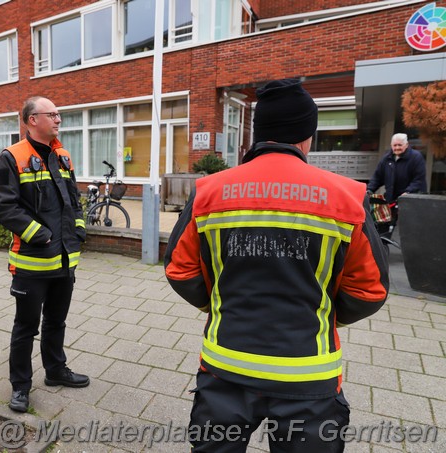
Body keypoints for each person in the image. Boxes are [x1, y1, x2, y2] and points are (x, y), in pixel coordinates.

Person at [164, 79, 389, 452]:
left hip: (226, 368)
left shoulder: (209, 191)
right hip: (308, 376)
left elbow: (179, 269)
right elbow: (370, 290)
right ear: (306, 136)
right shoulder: (348, 197)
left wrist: (218, 303)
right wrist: (323, 312)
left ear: (258, 133)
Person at [0, 96, 89, 413]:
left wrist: (79, 228)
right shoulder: (12, 157)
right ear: (32, 120)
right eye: (52, 114)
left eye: (59, 114)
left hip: (65, 261)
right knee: (25, 327)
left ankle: (56, 371)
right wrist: (40, 234)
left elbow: (73, 199)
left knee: (56, 322)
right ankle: (20, 387)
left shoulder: (63, 156)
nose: (58, 119)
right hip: (32, 264)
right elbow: (2, 206)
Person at [366, 133, 427, 234]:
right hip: (392, 200)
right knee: (386, 228)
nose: (397, 148)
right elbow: (377, 177)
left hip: (410, 201)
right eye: (395, 145)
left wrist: (408, 192)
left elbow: (418, 180)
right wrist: (369, 190)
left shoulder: (416, 157)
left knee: (409, 229)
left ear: (406, 145)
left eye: (400, 145)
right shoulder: (386, 159)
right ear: (391, 145)